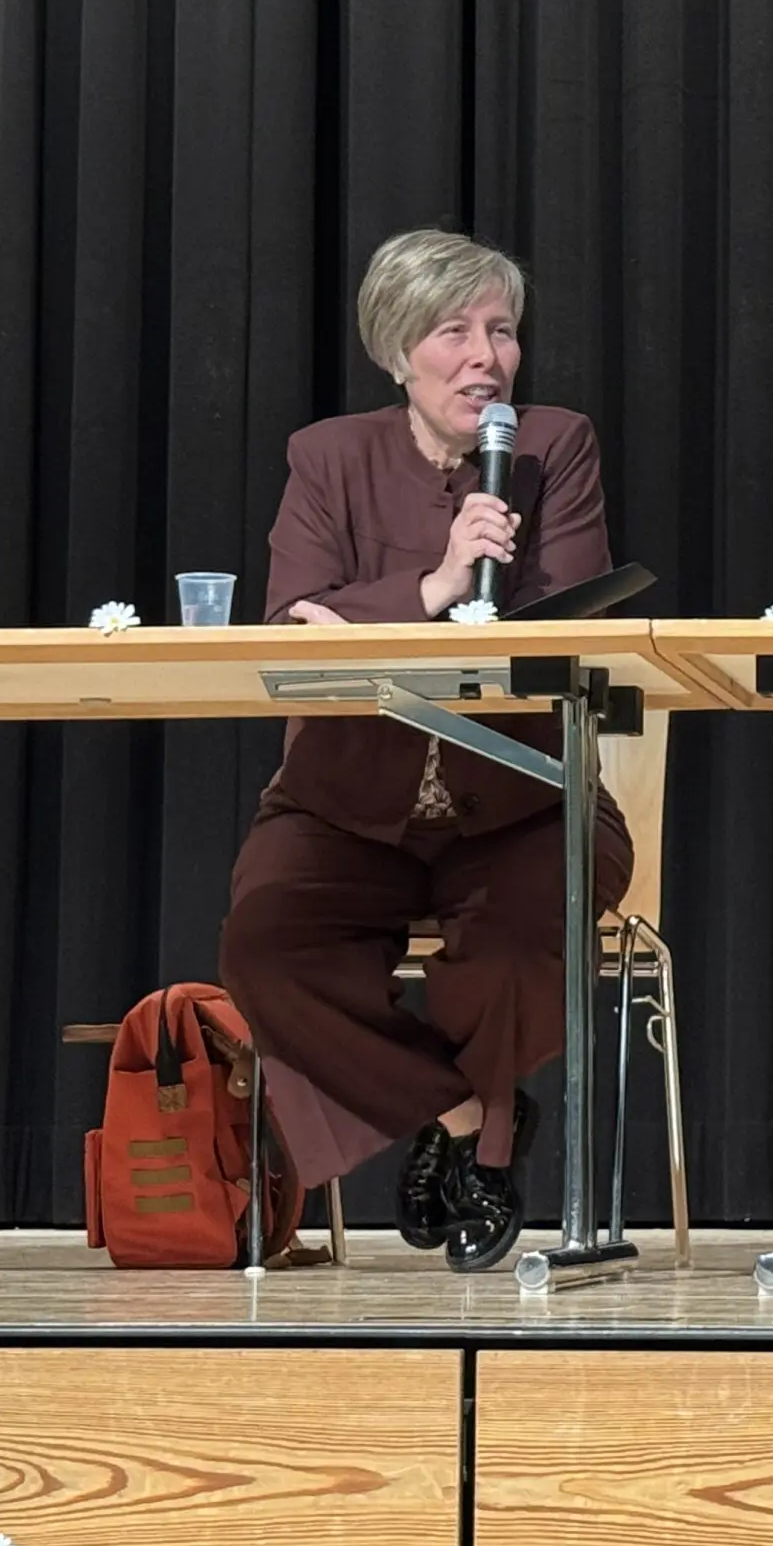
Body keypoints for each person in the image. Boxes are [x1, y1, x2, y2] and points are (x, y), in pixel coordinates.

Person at [218, 229, 630, 1272]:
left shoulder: (552, 445)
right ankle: (465, 1122)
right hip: (348, 801)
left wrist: (380, 615)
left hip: (522, 791)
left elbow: (569, 614)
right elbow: (285, 629)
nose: (486, 356)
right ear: (399, 354)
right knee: (266, 944)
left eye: (502, 330)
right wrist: (433, 591)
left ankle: (478, 1147)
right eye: (455, 333)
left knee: (524, 938)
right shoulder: (329, 456)